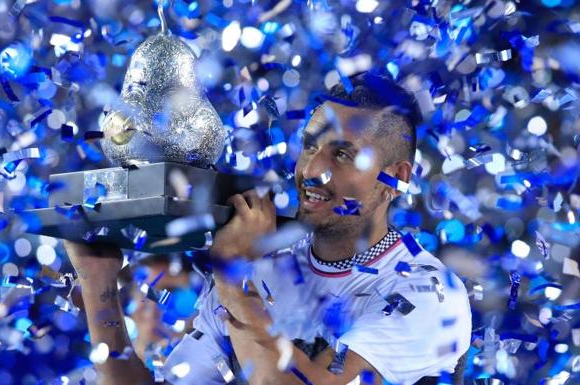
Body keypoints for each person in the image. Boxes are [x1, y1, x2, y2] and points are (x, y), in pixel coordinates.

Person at [64, 72, 472, 385]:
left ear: (396, 177)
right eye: (310, 146)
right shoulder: (260, 264)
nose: (312, 171)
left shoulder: (427, 294)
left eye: (343, 154)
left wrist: (235, 279)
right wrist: (98, 288)